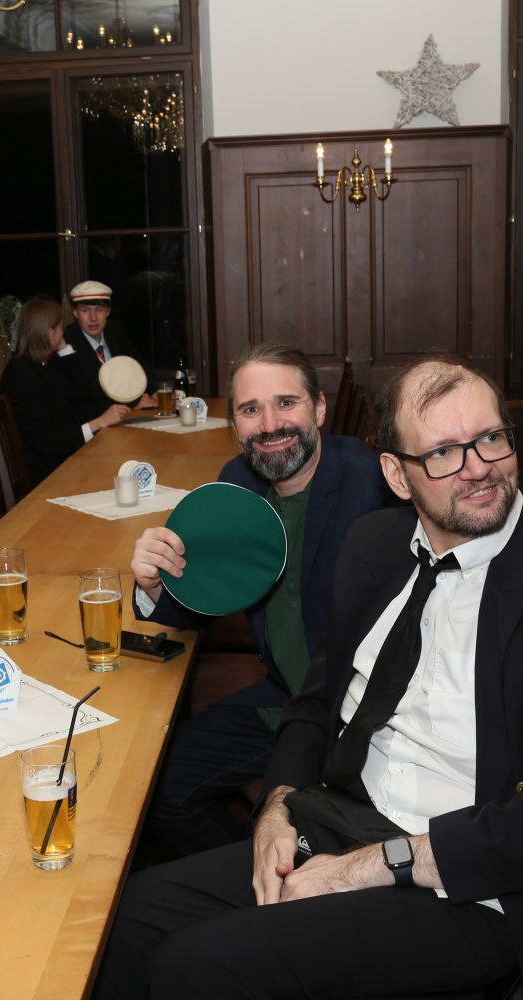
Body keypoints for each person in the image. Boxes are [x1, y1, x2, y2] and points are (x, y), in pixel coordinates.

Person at [97, 356, 523, 1000]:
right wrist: (276, 808)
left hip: (482, 880)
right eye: (442, 452)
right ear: (396, 474)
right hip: (347, 819)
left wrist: (366, 869)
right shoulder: (374, 545)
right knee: (128, 921)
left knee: (201, 967)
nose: (478, 468)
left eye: (491, 439)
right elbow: (315, 702)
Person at [131, 343, 389, 856]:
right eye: (251, 410)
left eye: (286, 403)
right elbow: (205, 596)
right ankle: (246, 878)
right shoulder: (237, 484)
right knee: (158, 785)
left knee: (297, 827)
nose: (270, 425)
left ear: (319, 408)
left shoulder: (371, 484)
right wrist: (156, 584)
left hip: (358, 711)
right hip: (286, 696)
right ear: (234, 423)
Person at [0, 298, 132, 482]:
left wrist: (63, 347)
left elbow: (84, 393)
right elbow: (46, 444)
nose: (64, 333)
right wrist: (99, 422)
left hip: (69, 457)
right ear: (50, 332)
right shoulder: (22, 373)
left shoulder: (47, 363)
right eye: (61, 328)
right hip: (51, 471)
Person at [57, 280, 155, 416]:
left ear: (108, 311)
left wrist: (155, 391)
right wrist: (130, 404)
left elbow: (139, 365)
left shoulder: (116, 330)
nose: (93, 318)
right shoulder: (66, 343)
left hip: (126, 417)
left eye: (99, 310)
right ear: (75, 312)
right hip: (93, 420)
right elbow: (81, 397)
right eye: (85, 311)